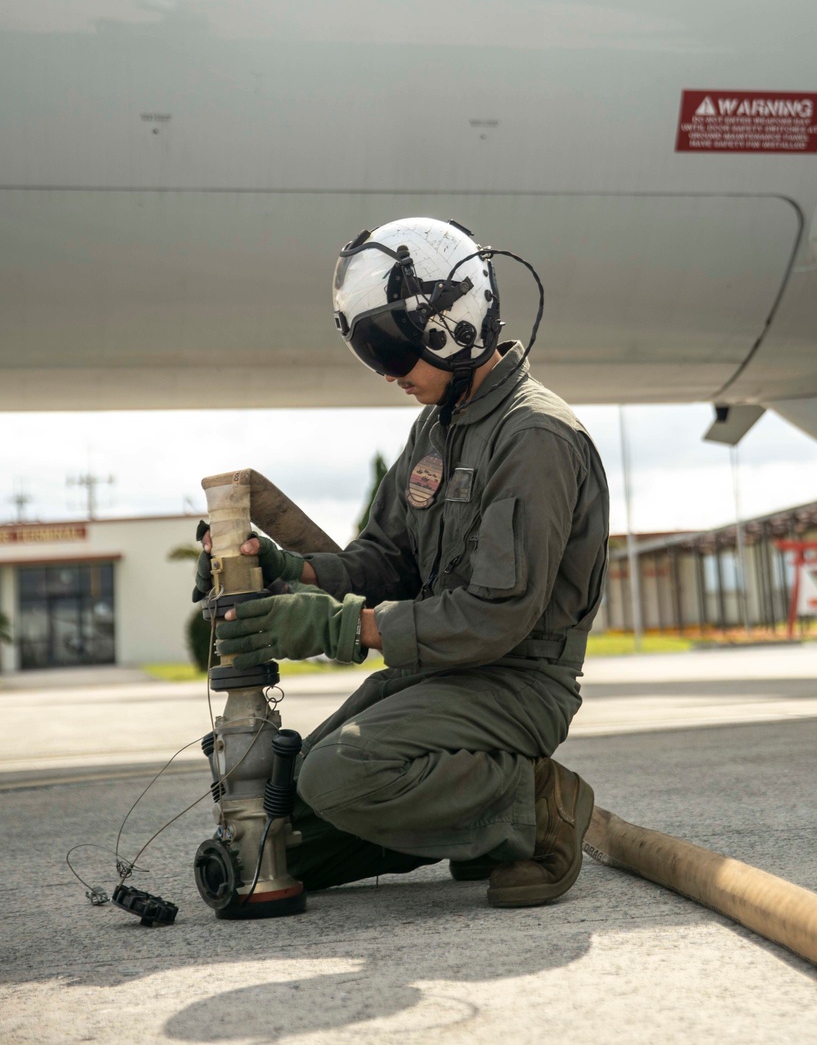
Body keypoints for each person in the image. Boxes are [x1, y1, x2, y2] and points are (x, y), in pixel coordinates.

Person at [197, 217, 609, 907]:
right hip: (441, 679)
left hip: (516, 685)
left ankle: (532, 806)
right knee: (287, 826)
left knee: (337, 775)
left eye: (392, 349)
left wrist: (338, 629)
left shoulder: (534, 437)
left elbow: (495, 617)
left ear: (456, 323)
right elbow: (384, 560)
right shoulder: (437, 428)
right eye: (373, 352)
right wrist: (286, 572)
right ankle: (478, 832)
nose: (388, 374)